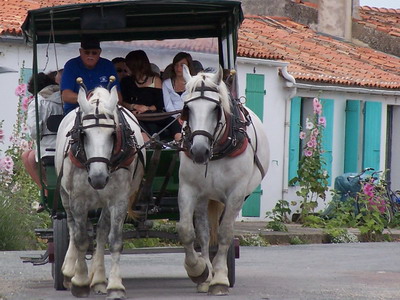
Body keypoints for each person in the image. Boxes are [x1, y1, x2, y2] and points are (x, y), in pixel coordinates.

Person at [120, 50, 181, 141]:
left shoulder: (155, 80)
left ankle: (179, 141)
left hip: (153, 114)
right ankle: (148, 144)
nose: (126, 68)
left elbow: (159, 104)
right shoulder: (125, 81)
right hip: (135, 115)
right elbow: (122, 102)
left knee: (172, 120)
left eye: (127, 65)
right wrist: (135, 106)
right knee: (136, 123)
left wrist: (146, 109)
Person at [22, 70, 63, 194]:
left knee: (26, 156)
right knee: (29, 155)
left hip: (49, 149)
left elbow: (35, 131)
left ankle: (45, 191)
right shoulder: (66, 96)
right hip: (69, 146)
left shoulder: (38, 101)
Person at [61, 35, 120, 115]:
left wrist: (100, 102)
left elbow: (118, 97)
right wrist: (89, 98)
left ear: (99, 52)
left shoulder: (108, 65)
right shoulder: (71, 65)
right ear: (80, 51)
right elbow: (66, 96)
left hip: (105, 112)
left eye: (94, 53)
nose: (90, 56)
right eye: (87, 52)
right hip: (75, 111)